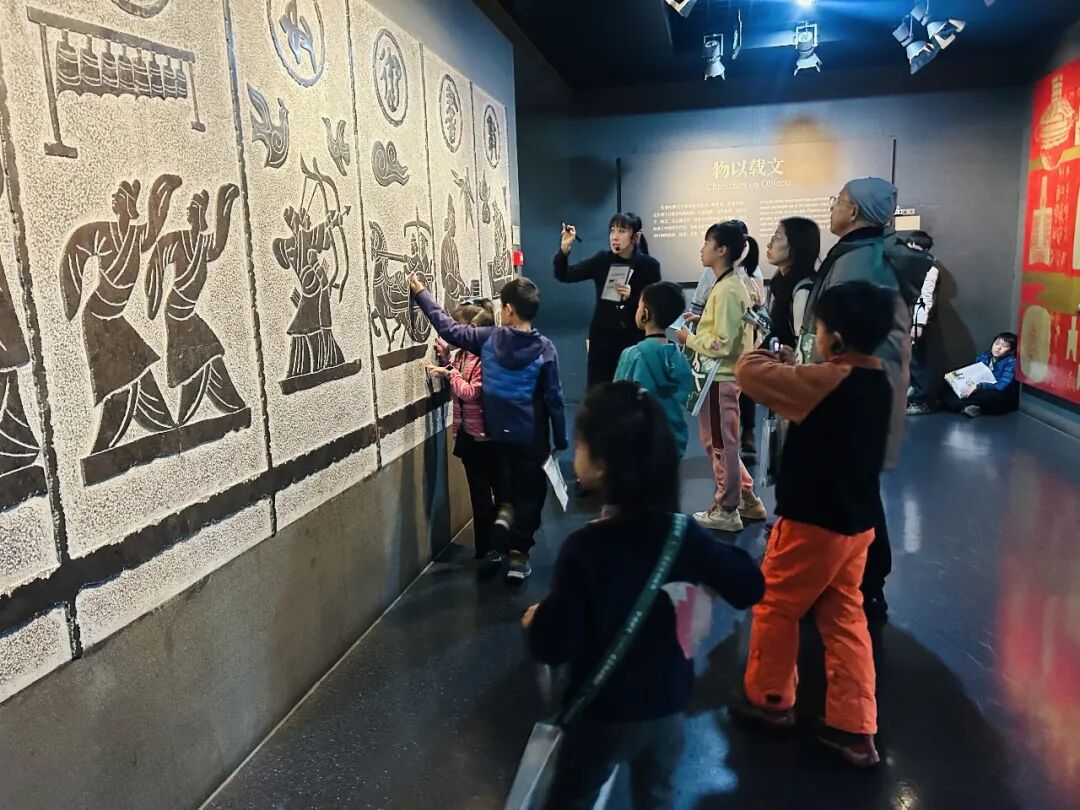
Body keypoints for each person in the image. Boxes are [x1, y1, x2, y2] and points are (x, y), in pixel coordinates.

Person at [523, 382, 765, 809]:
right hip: (666, 708)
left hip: (602, 714)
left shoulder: (585, 549)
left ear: (601, 465)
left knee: (573, 797)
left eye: (581, 442)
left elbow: (553, 643)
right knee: (656, 798)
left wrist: (535, 621)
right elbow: (749, 585)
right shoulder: (683, 535)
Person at [731, 281, 896, 769]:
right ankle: (855, 727)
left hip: (812, 525)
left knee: (775, 605)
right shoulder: (879, 379)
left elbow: (747, 373)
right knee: (845, 617)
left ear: (836, 340)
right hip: (857, 527)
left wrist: (768, 354)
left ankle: (771, 702)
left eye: (819, 330)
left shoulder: (825, 381)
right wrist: (798, 366)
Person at [799, 177, 932, 618]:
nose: (833, 207)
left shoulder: (858, 261)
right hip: (867, 392)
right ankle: (860, 580)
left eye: (838, 200)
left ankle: (862, 582)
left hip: (849, 394)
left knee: (851, 489)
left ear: (853, 211)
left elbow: (839, 338)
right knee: (856, 486)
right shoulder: (869, 256)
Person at [410, 274, 567, 583]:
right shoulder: (544, 348)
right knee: (531, 493)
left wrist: (421, 293)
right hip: (532, 435)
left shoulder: (489, 339)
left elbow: (449, 329)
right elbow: (555, 398)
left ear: (508, 309)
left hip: (497, 433)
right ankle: (518, 555)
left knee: (505, 483)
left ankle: (505, 511)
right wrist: (559, 438)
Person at [674, 222, 767, 533]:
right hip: (723, 377)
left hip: (720, 377)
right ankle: (746, 497)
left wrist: (689, 338)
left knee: (720, 443)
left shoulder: (728, 288)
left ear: (722, 249)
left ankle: (727, 508)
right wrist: (703, 320)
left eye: (707, 243)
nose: (702, 249)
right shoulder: (731, 283)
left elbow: (722, 344)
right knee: (720, 440)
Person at [424, 300, 506, 562]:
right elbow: (457, 372)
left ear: (471, 330)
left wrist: (449, 373)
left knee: (500, 494)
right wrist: (447, 358)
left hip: (489, 439)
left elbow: (471, 392)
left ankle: (503, 544)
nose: (454, 334)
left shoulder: (486, 358)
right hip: (468, 437)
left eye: (457, 328)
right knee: (479, 498)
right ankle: (485, 549)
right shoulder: (462, 355)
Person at [556, 214, 663, 388]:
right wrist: (565, 248)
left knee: (631, 392)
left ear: (636, 236)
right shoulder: (602, 260)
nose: (615, 237)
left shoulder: (649, 266)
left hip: (634, 340)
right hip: (603, 341)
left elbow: (657, 306)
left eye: (621, 231)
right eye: (612, 231)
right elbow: (565, 275)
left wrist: (633, 296)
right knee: (600, 393)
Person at [614, 281, 694, 457]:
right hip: (672, 441)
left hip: (639, 443)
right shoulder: (679, 356)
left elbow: (618, 399)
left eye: (638, 306)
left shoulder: (633, 355)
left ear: (646, 313)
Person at [764, 217, 820, 350]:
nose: (769, 244)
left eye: (777, 238)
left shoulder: (803, 291)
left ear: (796, 245)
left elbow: (803, 346)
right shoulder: (780, 284)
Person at [904, 231, 943, 414]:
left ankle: (922, 401)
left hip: (917, 321)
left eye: (913, 246)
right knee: (909, 360)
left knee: (918, 362)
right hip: (905, 318)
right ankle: (913, 397)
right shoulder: (911, 265)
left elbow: (925, 297)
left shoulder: (930, 268)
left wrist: (918, 325)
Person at [942, 332, 1019, 418]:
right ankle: (966, 407)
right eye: (997, 343)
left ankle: (959, 406)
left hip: (996, 392)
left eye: (1004, 346)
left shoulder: (1011, 362)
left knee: (986, 397)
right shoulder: (985, 355)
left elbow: (1001, 386)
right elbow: (973, 371)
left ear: (1011, 351)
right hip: (977, 386)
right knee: (947, 385)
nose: (998, 348)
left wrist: (978, 386)